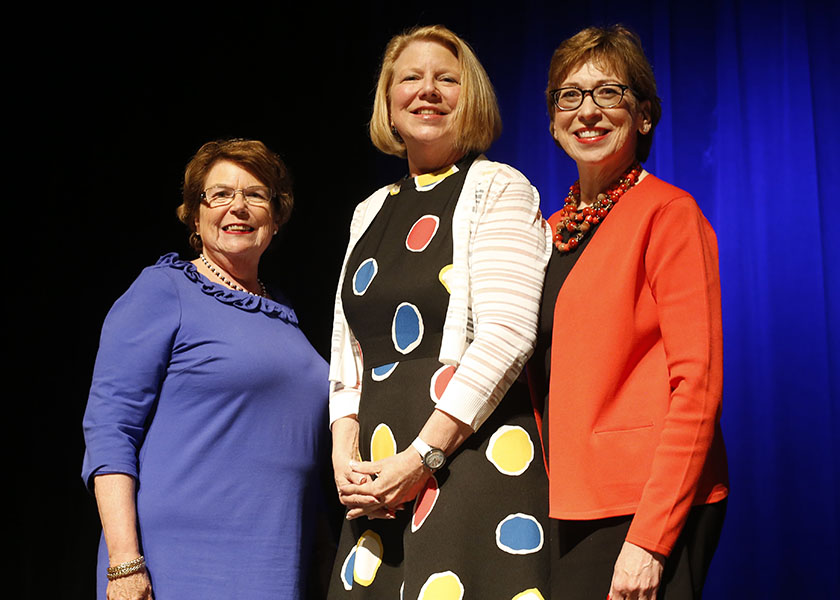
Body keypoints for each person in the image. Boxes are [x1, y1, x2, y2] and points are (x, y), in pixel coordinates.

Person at [327, 25, 552, 599]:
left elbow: (506, 336)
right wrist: (343, 454)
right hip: (379, 471)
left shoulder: (499, 188)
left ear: (469, 96)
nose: (427, 90)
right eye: (411, 78)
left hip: (465, 458)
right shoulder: (370, 210)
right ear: (388, 100)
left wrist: (422, 457)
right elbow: (347, 352)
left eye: (446, 79)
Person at [82, 139, 330, 600]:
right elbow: (110, 429)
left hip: (277, 556)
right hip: (179, 560)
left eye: (256, 195)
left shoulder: (285, 312)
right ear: (195, 216)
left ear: (276, 219)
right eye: (219, 194)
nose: (238, 206)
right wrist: (124, 563)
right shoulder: (164, 289)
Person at [533, 25, 729, 600]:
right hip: (564, 501)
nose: (587, 110)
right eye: (570, 95)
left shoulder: (669, 214)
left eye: (608, 92)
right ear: (552, 121)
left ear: (642, 116)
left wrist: (650, 539)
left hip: (643, 505)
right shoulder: (547, 233)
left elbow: (697, 385)